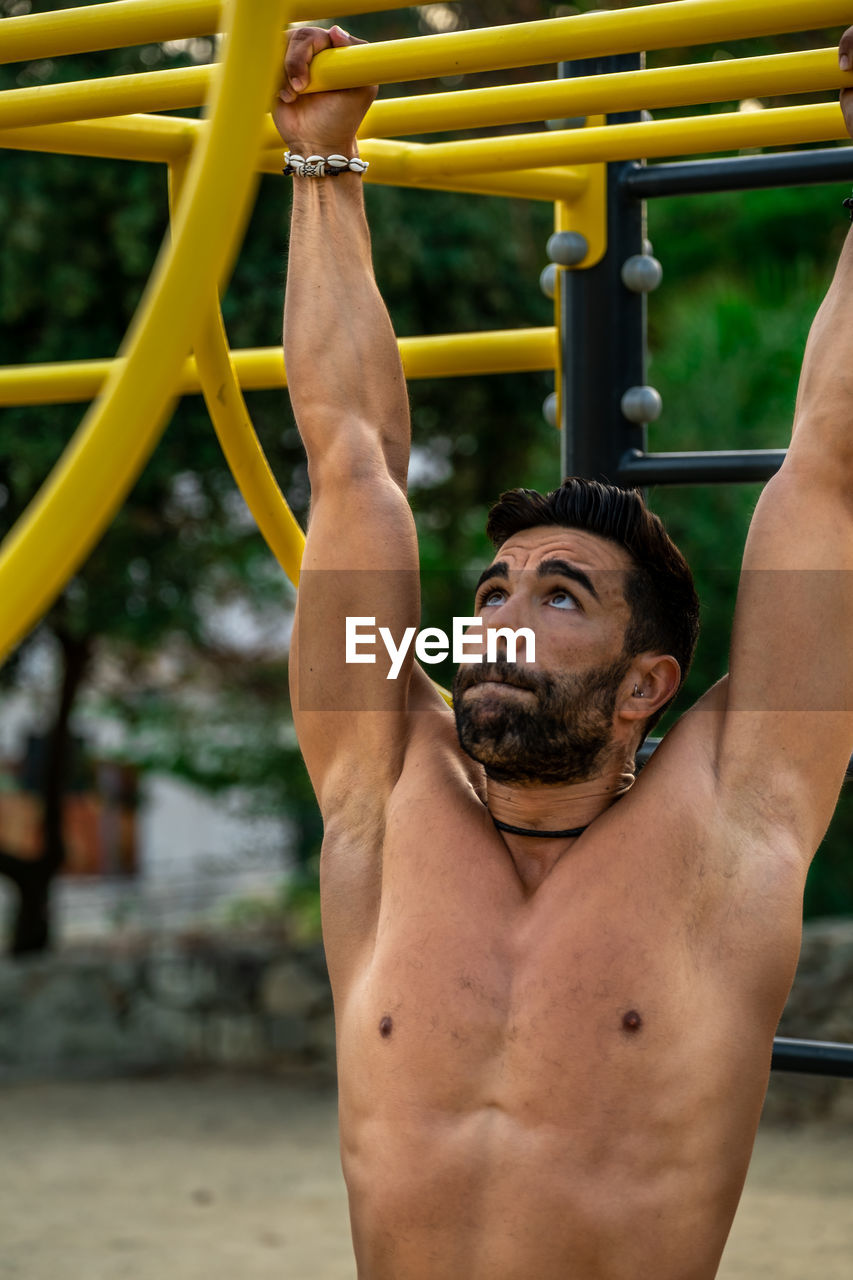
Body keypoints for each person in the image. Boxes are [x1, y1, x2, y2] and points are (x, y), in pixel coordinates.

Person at [274, 22, 853, 1279]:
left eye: (557, 594)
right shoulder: (383, 790)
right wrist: (322, 166)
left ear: (649, 681)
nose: (494, 616)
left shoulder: (731, 823)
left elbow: (833, 468)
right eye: (487, 590)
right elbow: (352, 462)